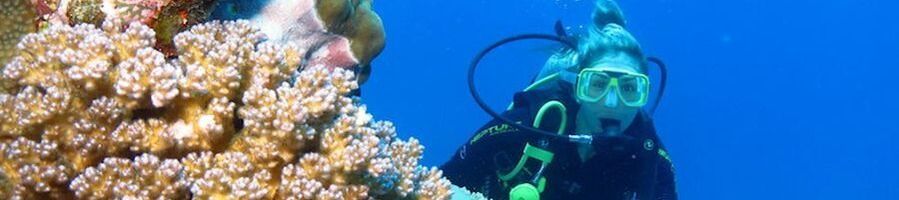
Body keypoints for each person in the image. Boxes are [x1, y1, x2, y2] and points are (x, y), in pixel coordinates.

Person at [441, 1, 677, 199]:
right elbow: (442, 182)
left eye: (628, 88)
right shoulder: (528, 124)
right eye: (597, 84)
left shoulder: (651, 159)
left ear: (643, 95)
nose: (612, 102)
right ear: (577, 88)